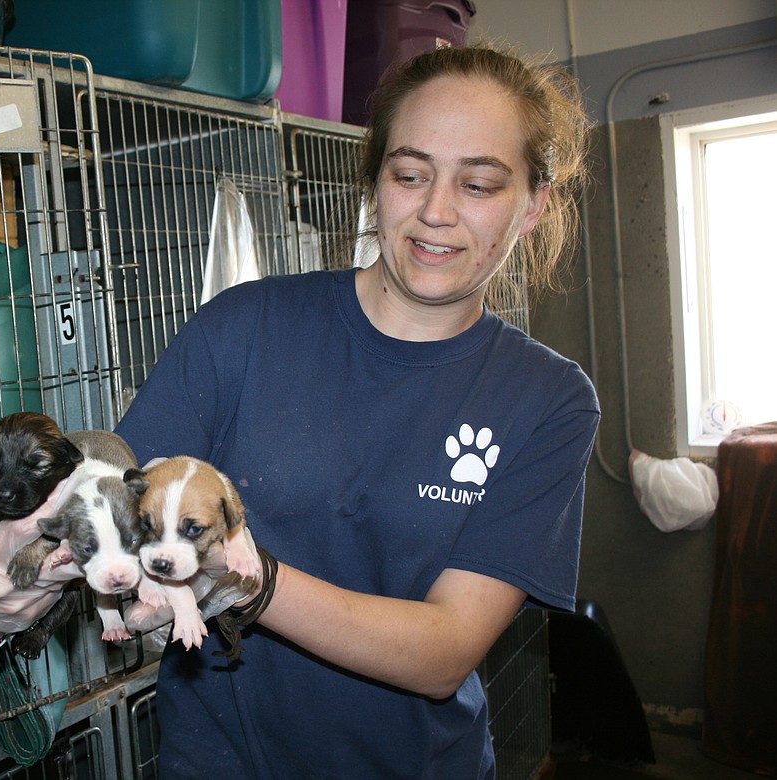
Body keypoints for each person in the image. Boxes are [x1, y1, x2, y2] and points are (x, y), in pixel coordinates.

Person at [113, 42, 601, 779]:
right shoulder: (244, 327)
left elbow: (444, 652)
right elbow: (119, 496)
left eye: (478, 184)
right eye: (410, 175)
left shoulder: (548, 400)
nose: (435, 212)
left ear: (531, 204)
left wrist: (249, 578)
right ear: (376, 181)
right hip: (218, 759)